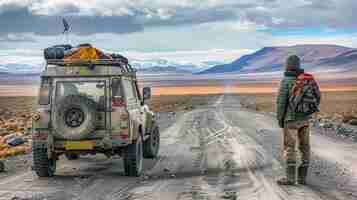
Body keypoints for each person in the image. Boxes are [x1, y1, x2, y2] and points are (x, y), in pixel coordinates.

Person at [276, 55, 321, 185]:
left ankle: (290, 178)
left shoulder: (286, 81)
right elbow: (317, 97)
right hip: (305, 119)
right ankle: (302, 178)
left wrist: (280, 119)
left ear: (288, 65)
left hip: (291, 120)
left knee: (290, 147)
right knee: (305, 146)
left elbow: (280, 102)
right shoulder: (307, 80)